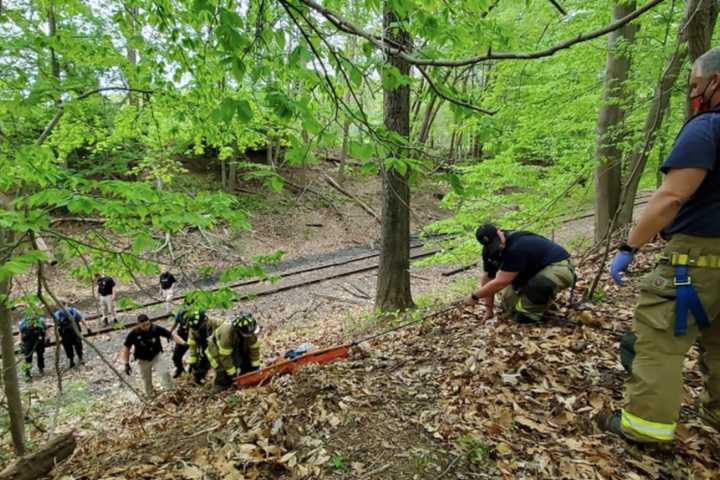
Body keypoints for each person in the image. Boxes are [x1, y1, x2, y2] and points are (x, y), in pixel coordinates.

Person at [598, 48, 720, 444]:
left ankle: (644, 426)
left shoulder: (707, 128)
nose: (692, 95)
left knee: (659, 339)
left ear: (715, 82)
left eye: (695, 86)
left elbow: (670, 197)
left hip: (698, 260)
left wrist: (629, 246)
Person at [464, 224, 575, 323]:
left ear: (499, 231)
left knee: (529, 306)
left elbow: (501, 282)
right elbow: (488, 278)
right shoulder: (489, 252)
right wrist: (489, 310)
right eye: (493, 245)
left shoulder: (517, 246)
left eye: (497, 241)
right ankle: (542, 304)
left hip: (559, 267)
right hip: (532, 272)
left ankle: (532, 314)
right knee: (508, 304)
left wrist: (475, 296)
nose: (498, 246)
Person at [121, 314, 186, 397]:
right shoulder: (134, 334)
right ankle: (150, 396)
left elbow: (170, 335)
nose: (146, 327)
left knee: (165, 373)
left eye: (148, 324)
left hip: (156, 356)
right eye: (143, 325)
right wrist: (126, 363)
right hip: (143, 360)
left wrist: (183, 343)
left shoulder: (155, 329)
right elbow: (126, 348)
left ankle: (171, 391)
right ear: (138, 325)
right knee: (146, 380)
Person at [205, 311, 261, 392]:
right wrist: (232, 374)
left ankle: (246, 378)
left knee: (246, 359)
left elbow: (254, 348)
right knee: (223, 370)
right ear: (238, 330)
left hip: (235, 345)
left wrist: (255, 367)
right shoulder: (227, 334)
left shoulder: (249, 331)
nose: (250, 335)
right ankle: (220, 387)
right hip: (216, 350)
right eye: (248, 334)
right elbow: (225, 357)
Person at [170, 299, 208, 378]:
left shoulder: (200, 311)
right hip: (184, 335)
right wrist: (170, 332)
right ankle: (180, 369)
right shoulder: (181, 311)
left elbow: (206, 321)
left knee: (199, 355)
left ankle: (196, 372)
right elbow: (176, 322)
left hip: (197, 334)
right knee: (176, 356)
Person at [53, 300, 87, 368]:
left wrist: (56, 335)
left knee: (68, 347)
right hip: (75, 331)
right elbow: (81, 319)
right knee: (78, 345)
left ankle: (72, 361)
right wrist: (87, 327)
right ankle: (80, 358)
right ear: (66, 304)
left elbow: (56, 325)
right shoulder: (73, 311)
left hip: (65, 333)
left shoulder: (57, 314)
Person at [19, 316, 47, 381]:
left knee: (40, 355)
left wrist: (46, 337)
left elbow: (44, 330)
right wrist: (20, 342)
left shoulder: (40, 321)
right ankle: (27, 372)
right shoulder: (24, 322)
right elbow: (21, 332)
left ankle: (41, 368)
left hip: (39, 340)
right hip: (28, 340)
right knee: (28, 357)